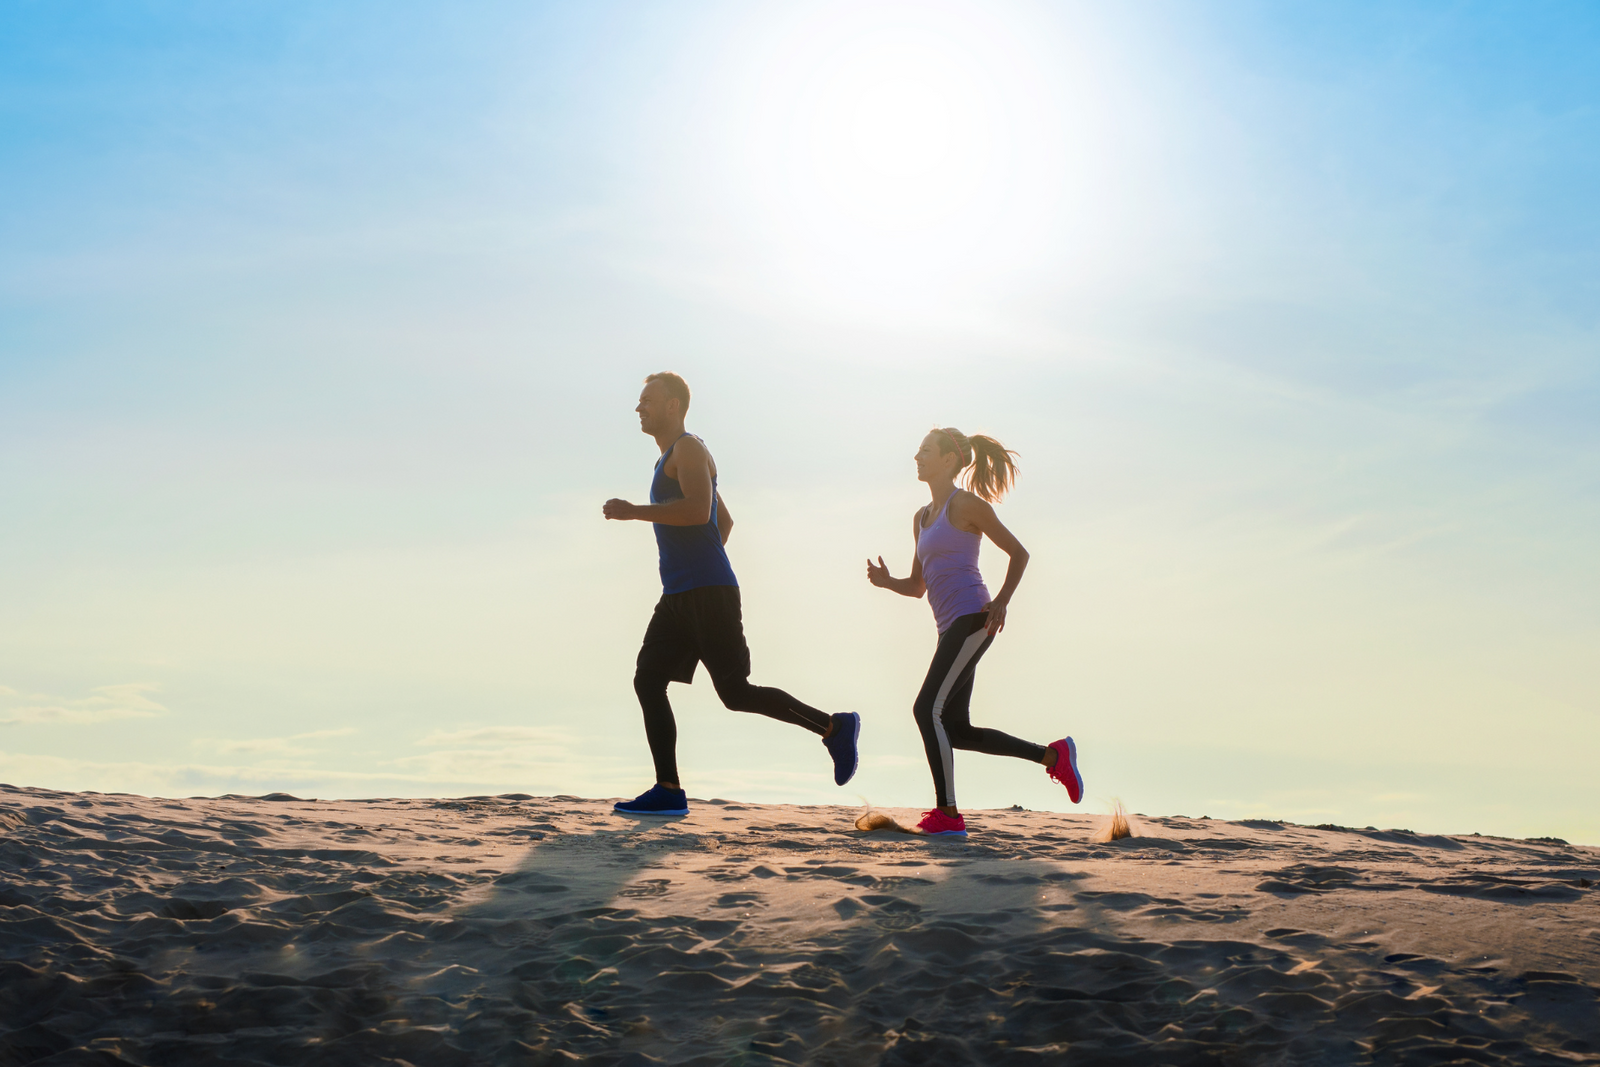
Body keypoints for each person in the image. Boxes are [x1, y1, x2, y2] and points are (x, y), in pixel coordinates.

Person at [604, 372, 860, 815]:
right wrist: (695, 556)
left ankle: (835, 727)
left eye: (647, 400)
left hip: (708, 593)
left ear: (673, 405)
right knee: (648, 679)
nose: (638, 407)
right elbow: (723, 523)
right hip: (681, 594)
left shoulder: (688, 448)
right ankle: (668, 789)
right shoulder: (672, 456)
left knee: (736, 693)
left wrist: (633, 513)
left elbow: (699, 511)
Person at [866, 427, 1083, 837]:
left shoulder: (965, 504)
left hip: (973, 618)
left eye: (925, 450)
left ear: (949, 459)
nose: (917, 457)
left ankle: (947, 814)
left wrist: (1001, 601)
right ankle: (1054, 758)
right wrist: (886, 580)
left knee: (924, 708)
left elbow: (1019, 553)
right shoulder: (921, 518)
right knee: (957, 729)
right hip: (948, 626)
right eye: (917, 451)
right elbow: (917, 587)